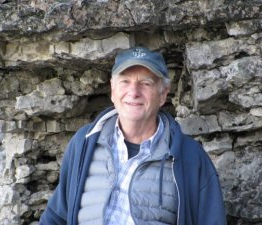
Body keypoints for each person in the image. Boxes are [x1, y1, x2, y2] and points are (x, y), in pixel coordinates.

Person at [39, 47, 227, 225]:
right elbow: (56, 216)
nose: (134, 92)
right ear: (113, 90)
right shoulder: (84, 143)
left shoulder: (191, 158)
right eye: (125, 82)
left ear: (163, 95)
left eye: (145, 83)